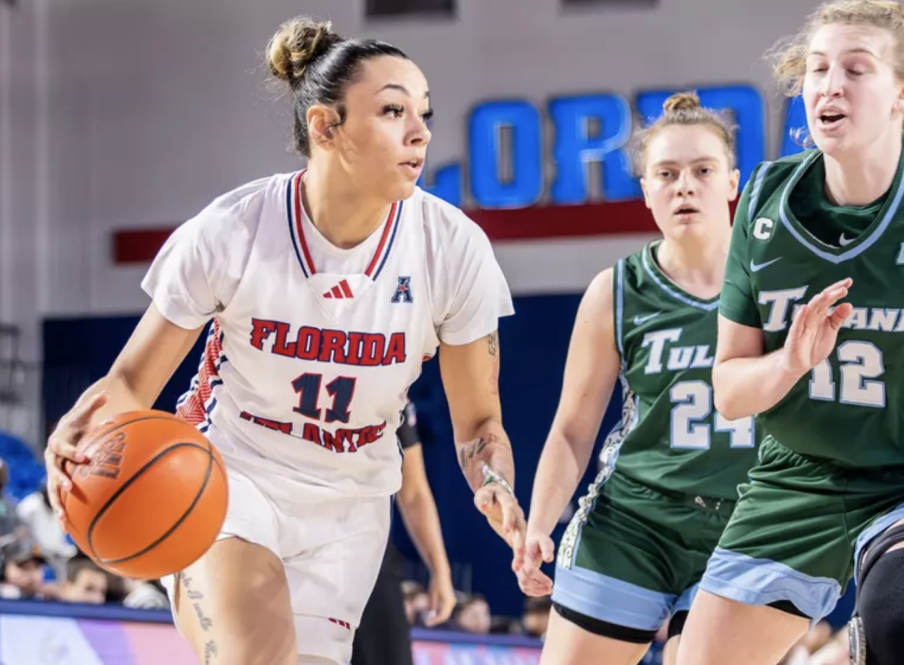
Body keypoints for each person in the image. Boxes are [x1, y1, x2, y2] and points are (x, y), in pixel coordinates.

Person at [44, 16, 523, 665]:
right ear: (326, 126)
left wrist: (491, 480)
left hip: (351, 507)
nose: (420, 132)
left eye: (424, 112)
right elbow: (132, 382)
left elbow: (478, 423)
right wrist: (84, 433)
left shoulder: (452, 247)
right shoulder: (234, 231)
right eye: (391, 110)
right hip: (231, 478)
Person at [674, 3, 904, 664]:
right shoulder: (766, 200)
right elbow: (729, 390)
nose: (829, 84)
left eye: (856, 69)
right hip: (799, 480)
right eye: (818, 68)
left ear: (899, 93)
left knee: (895, 612)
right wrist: (791, 362)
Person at [514, 92, 757, 665]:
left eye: (702, 170)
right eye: (666, 174)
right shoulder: (616, 291)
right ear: (646, 190)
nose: (684, 186)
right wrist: (539, 525)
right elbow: (573, 428)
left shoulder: (776, 283)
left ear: (732, 183)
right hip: (632, 522)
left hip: (746, 522)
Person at [350, 401, 457, 665]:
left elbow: (413, 491)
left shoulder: (391, 387)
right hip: (288, 545)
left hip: (367, 556)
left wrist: (440, 570)